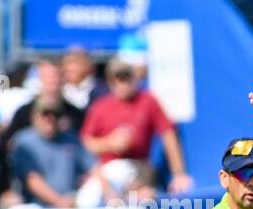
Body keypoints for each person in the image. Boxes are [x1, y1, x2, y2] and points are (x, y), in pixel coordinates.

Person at [79, 55, 192, 201]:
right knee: (88, 199)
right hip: (106, 172)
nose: (122, 83)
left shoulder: (148, 101)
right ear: (110, 81)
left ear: (134, 78)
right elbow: (86, 142)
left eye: (126, 77)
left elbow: (168, 135)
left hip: (138, 167)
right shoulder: (100, 107)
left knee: (131, 188)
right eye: (116, 78)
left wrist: (179, 174)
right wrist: (110, 143)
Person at [11, 98, 97, 207]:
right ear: (34, 117)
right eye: (45, 114)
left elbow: (94, 168)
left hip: (71, 205)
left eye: (55, 115)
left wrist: (111, 195)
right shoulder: (24, 141)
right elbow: (33, 180)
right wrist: (60, 202)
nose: (50, 119)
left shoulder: (71, 139)